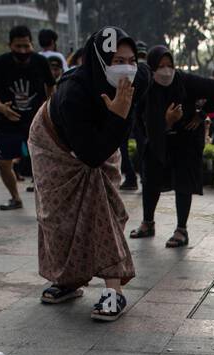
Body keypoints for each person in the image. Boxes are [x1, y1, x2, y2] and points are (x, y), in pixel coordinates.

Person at [28, 27, 149, 318]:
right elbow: (91, 154)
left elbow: (101, 152)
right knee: (57, 218)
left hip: (100, 142)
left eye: (131, 59)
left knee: (102, 206)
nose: (127, 67)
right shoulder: (73, 93)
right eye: (117, 59)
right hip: (53, 143)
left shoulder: (138, 79)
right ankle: (67, 280)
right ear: (98, 59)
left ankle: (113, 291)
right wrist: (118, 116)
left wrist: (120, 116)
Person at [127, 46, 214, 248]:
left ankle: (181, 230)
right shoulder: (146, 88)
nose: (165, 71)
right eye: (160, 66)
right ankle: (147, 223)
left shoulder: (184, 80)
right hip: (156, 138)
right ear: (152, 68)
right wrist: (167, 121)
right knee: (150, 179)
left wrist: (201, 114)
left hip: (184, 139)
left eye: (169, 65)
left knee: (183, 182)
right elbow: (144, 122)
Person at [0, 26, 53, 210]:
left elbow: (51, 87)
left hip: (36, 122)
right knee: (3, 163)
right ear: (10, 45)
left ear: (32, 44)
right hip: (8, 121)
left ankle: (46, 201)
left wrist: (48, 107)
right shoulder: (0, 63)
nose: (23, 51)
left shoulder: (40, 61)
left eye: (26, 46)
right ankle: (15, 198)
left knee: (43, 163)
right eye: (18, 46)